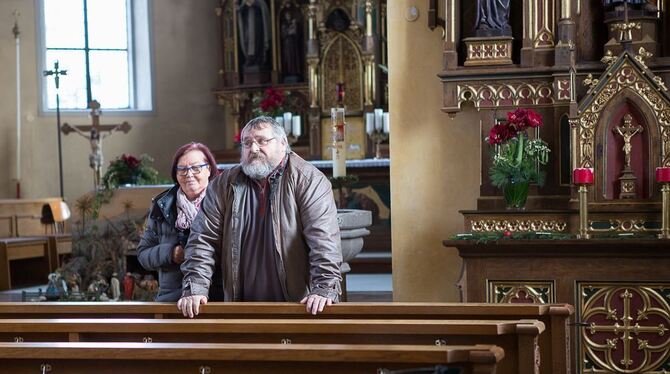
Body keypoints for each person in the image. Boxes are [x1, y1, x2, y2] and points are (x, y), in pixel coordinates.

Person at [177, 116, 342, 317]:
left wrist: (324, 287)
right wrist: (195, 287)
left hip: (299, 304)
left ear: (283, 144)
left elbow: (323, 240)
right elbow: (203, 239)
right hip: (240, 302)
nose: (253, 149)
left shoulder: (308, 180)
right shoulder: (224, 184)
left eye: (262, 141)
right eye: (247, 143)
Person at [137, 142, 220, 301]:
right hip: (172, 299)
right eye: (182, 169)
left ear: (209, 169)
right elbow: (143, 254)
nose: (189, 174)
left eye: (196, 168)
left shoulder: (223, 202)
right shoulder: (162, 205)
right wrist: (170, 253)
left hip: (216, 296)